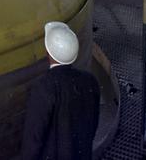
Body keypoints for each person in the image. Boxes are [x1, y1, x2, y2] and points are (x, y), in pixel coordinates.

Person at [20, 20, 101, 160]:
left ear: (47, 53)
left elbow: (33, 140)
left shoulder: (43, 88)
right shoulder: (90, 81)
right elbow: (92, 127)